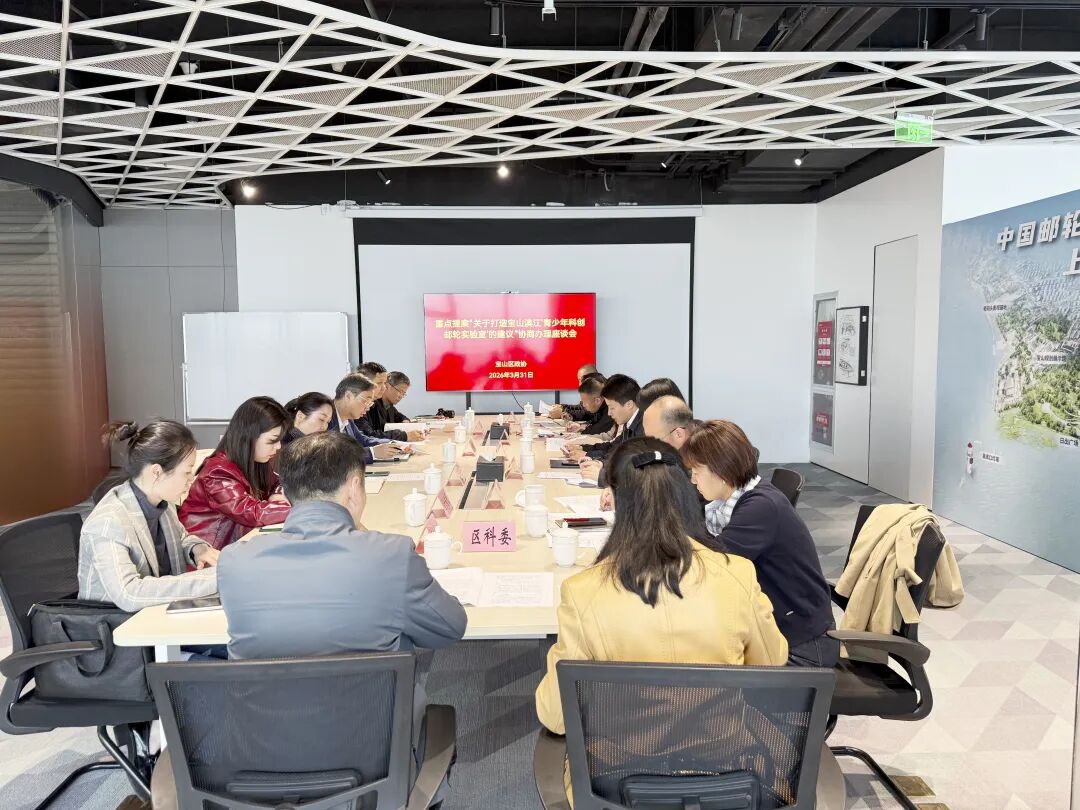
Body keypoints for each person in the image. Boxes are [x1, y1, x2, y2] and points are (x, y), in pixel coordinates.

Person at [216, 431, 467, 794]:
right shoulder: (390, 555)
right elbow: (450, 627)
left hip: (256, 758)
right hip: (373, 759)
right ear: (353, 487)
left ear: (286, 492)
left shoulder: (235, 561)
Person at [536, 437, 787, 761]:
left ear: (615, 498)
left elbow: (556, 716)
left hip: (620, 773)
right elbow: (771, 664)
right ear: (685, 490)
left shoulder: (582, 592)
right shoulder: (737, 574)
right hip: (726, 769)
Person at [680, 420, 837, 668]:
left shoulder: (760, 507)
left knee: (694, 668)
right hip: (775, 629)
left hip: (801, 645)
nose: (693, 480)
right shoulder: (731, 503)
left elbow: (712, 565)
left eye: (696, 471)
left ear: (720, 471)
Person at [79, 420, 219, 612]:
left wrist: (197, 548)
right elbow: (129, 593)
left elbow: (180, 538)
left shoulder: (162, 503)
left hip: (154, 614)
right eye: (187, 472)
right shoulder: (108, 522)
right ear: (156, 472)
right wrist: (213, 579)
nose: (191, 480)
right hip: (115, 624)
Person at [179, 397, 292, 550]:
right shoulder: (217, 472)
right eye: (272, 441)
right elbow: (251, 512)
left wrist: (276, 495)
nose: (278, 447)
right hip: (205, 552)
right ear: (249, 436)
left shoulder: (255, 461)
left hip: (235, 545)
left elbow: (279, 482)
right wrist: (299, 509)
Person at [329, 372, 411, 462]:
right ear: (348, 396)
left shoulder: (347, 418)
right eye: (366, 401)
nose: (368, 408)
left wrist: (394, 444)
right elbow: (334, 456)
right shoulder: (326, 418)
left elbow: (363, 440)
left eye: (370, 403)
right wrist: (372, 453)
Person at [355, 362, 424, 442]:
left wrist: (406, 424)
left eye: (384, 384)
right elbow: (367, 437)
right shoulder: (360, 406)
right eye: (380, 383)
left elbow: (399, 416)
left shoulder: (385, 405)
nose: (384, 388)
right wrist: (404, 436)